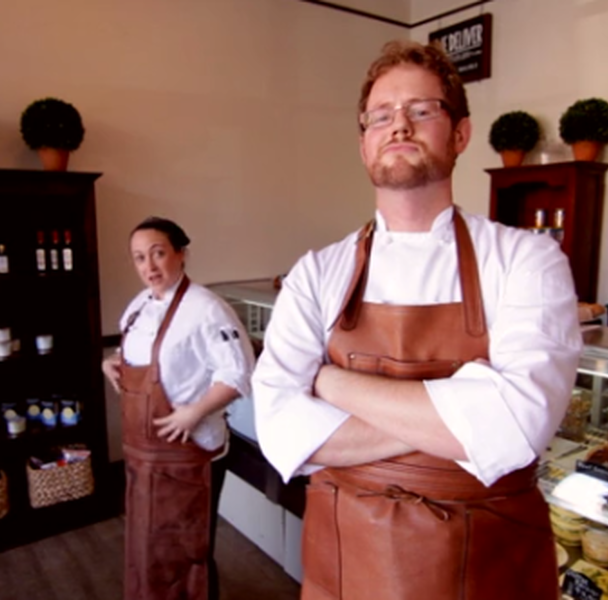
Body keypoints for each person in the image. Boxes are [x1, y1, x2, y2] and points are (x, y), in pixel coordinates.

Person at [252, 40, 582, 599]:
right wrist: (461, 422)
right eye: (381, 116)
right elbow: (280, 429)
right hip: (344, 562)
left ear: (459, 134)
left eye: (421, 110)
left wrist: (328, 382)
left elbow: (517, 426)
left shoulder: (528, 259)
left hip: (488, 567)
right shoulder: (316, 272)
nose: (398, 126)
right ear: (363, 144)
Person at [102, 216, 255, 600]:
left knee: (187, 552)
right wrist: (112, 362)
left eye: (158, 254)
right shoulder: (138, 306)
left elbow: (238, 373)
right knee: (147, 548)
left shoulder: (206, 308)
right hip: (144, 454)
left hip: (189, 452)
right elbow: (134, 354)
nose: (149, 267)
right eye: (139, 258)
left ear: (181, 254)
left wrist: (194, 412)